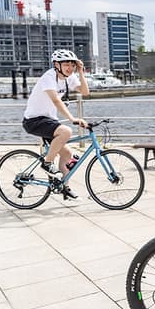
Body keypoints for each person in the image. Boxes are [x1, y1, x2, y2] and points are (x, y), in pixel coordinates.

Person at [22, 49, 89, 199]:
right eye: (66, 64)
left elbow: (84, 92)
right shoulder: (49, 77)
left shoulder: (68, 78)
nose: (70, 68)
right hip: (33, 120)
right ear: (56, 65)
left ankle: (63, 186)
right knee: (65, 131)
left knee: (67, 154)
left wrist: (80, 71)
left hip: (48, 120)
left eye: (72, 65)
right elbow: (56, 100)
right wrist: (73, 119)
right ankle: (47, 163)